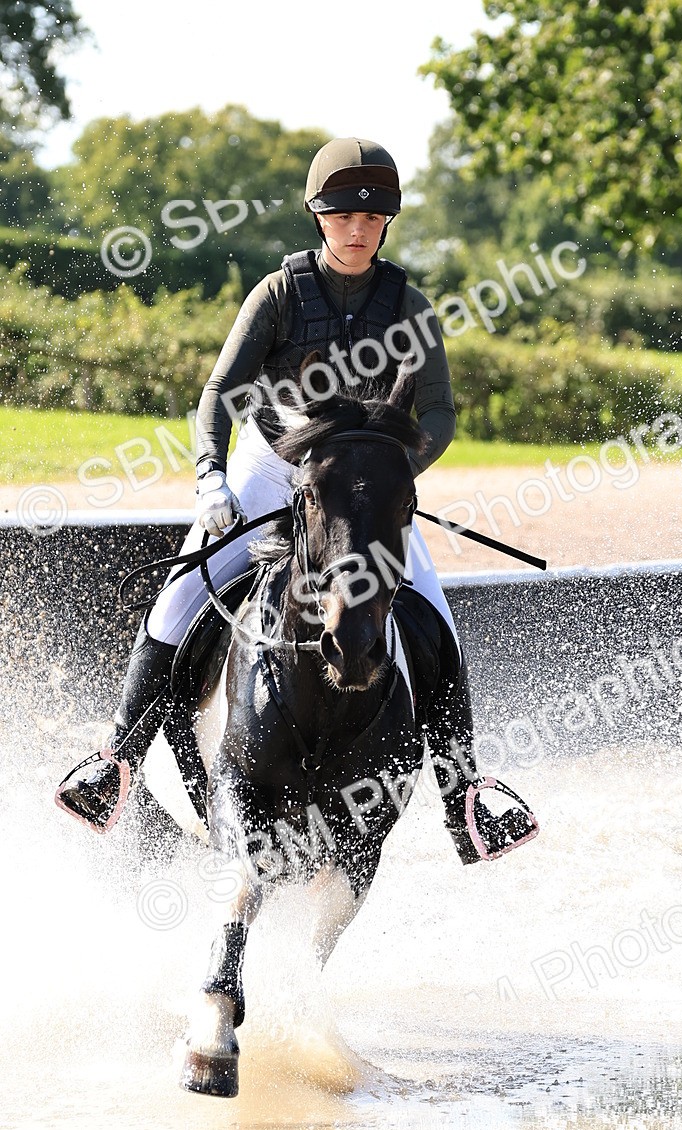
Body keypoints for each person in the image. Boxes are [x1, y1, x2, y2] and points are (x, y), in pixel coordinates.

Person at [56, 137, 538, 863]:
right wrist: (209, 475)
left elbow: (437, 411)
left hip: (363, 481)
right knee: (182, 595)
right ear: (320, 216)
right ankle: (116, 762)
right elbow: (220, 391)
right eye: (344, 214)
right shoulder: (280, 293)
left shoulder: (409, 304)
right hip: (272, 463)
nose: (357, 228)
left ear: (387, 224)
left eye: (372, 218)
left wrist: (397, 468)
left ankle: (465, 798)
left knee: (434, 618)